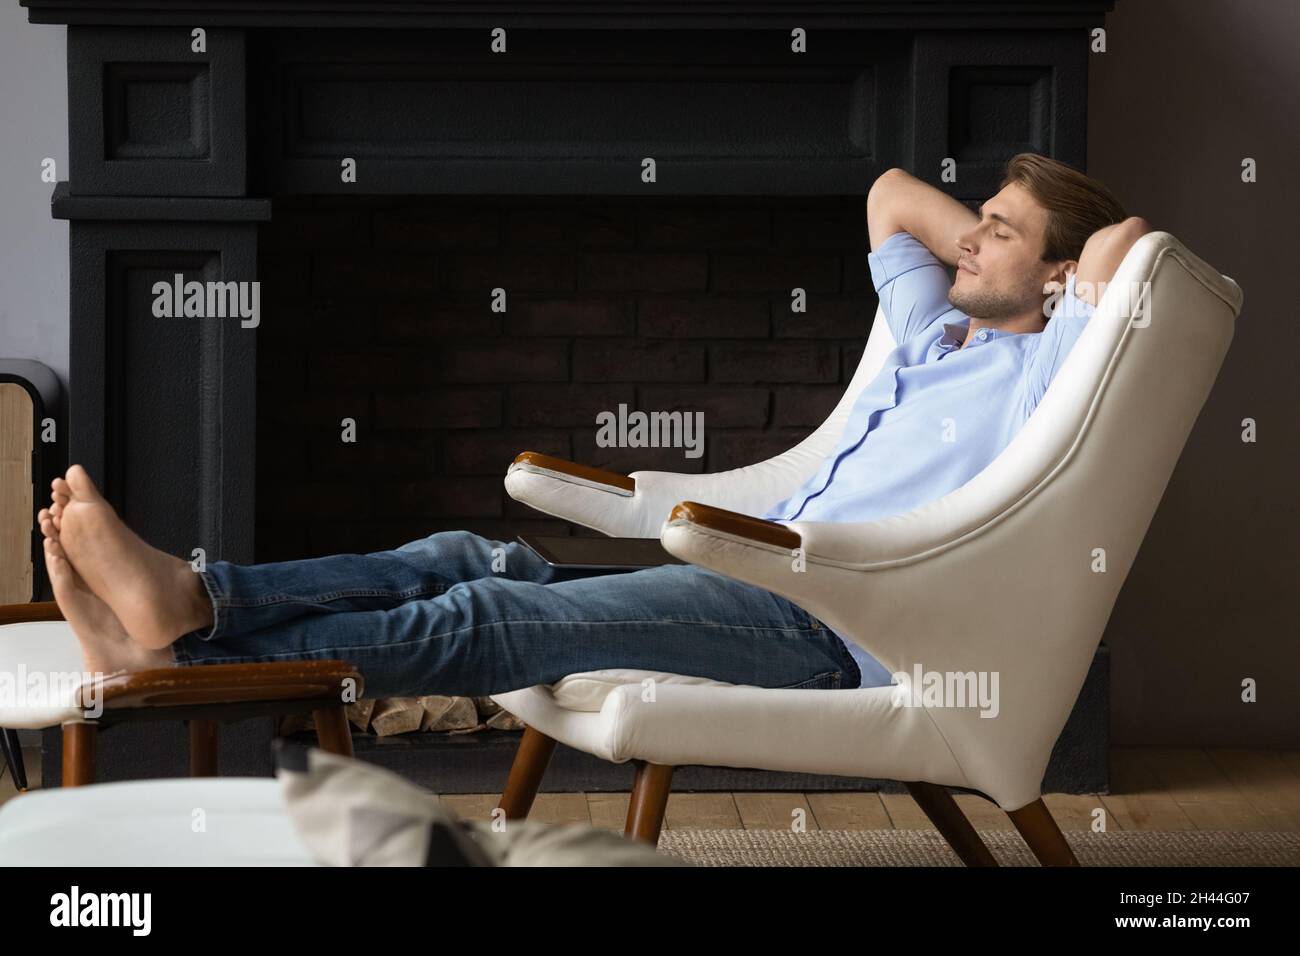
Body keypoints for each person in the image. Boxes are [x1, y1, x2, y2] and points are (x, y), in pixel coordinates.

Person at [38, 152, 1149, 700]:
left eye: (997, 233)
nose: (966, 242)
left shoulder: (1054, 368)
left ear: (1055, 277)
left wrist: (1047, 276)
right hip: (750, 583)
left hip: (831, 625)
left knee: (487, 611)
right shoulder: (931, 335)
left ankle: (171, 667)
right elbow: (891, 190)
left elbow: (1123, 244)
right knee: (463, 555)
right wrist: (996, 249)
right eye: (979, 223)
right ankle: (191, 607)